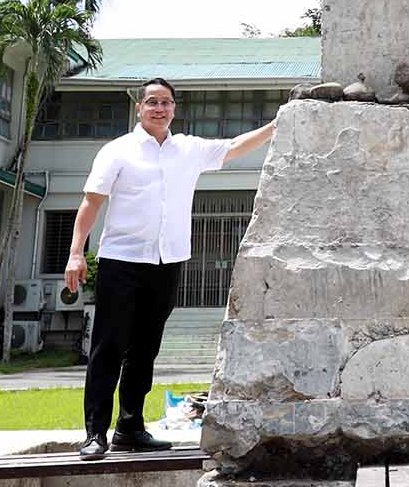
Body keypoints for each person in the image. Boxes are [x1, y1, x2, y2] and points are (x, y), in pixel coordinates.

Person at [66, 77, 275, 460]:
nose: (159, 109)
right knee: (108, 348)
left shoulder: (188, 150)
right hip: (122, 261)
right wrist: (76, 253)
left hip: (167, 263)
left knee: (144, 350)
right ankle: (96, 433)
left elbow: (233, 148)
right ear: (139, 108)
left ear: (174, 108)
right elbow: (91, 203)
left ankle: (130, 427)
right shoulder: (118, 151)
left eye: (166, 102)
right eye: (152, 102)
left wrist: (277, 125)